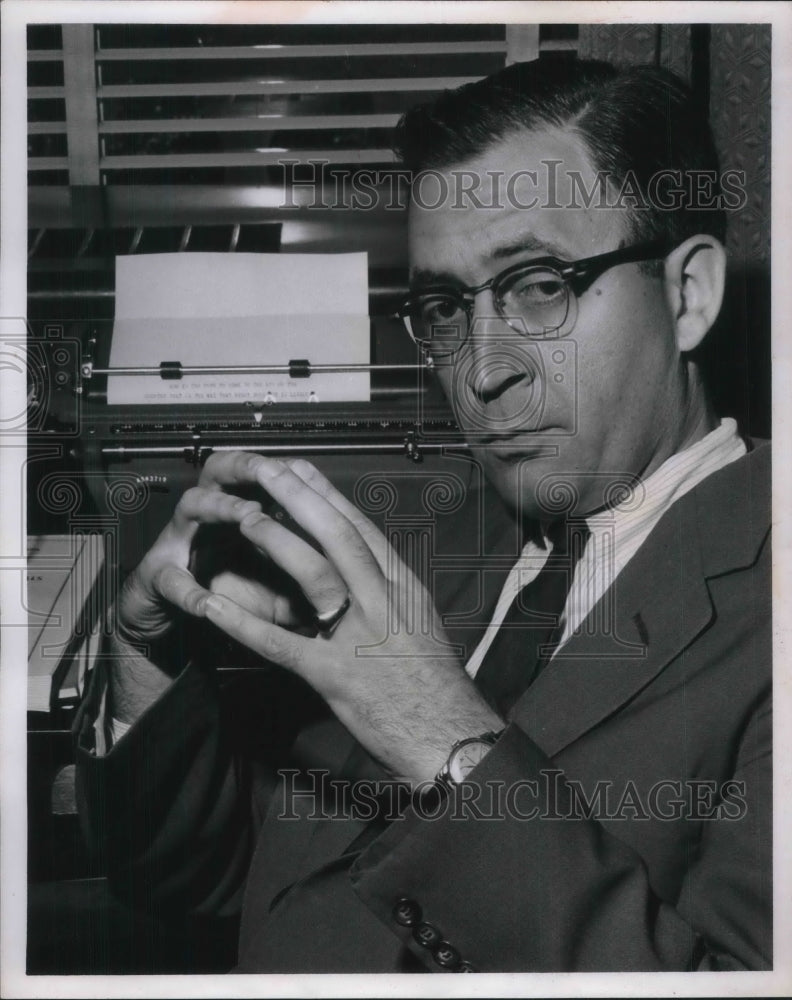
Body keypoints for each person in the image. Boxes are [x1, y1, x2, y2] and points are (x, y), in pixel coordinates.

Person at [74, 59, 771, 973]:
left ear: (687, 296)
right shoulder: (429, 540)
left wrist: (444, 742)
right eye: (445, 306)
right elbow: (213, 888)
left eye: (540, 285)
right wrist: (146, 661)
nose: (483, 371)